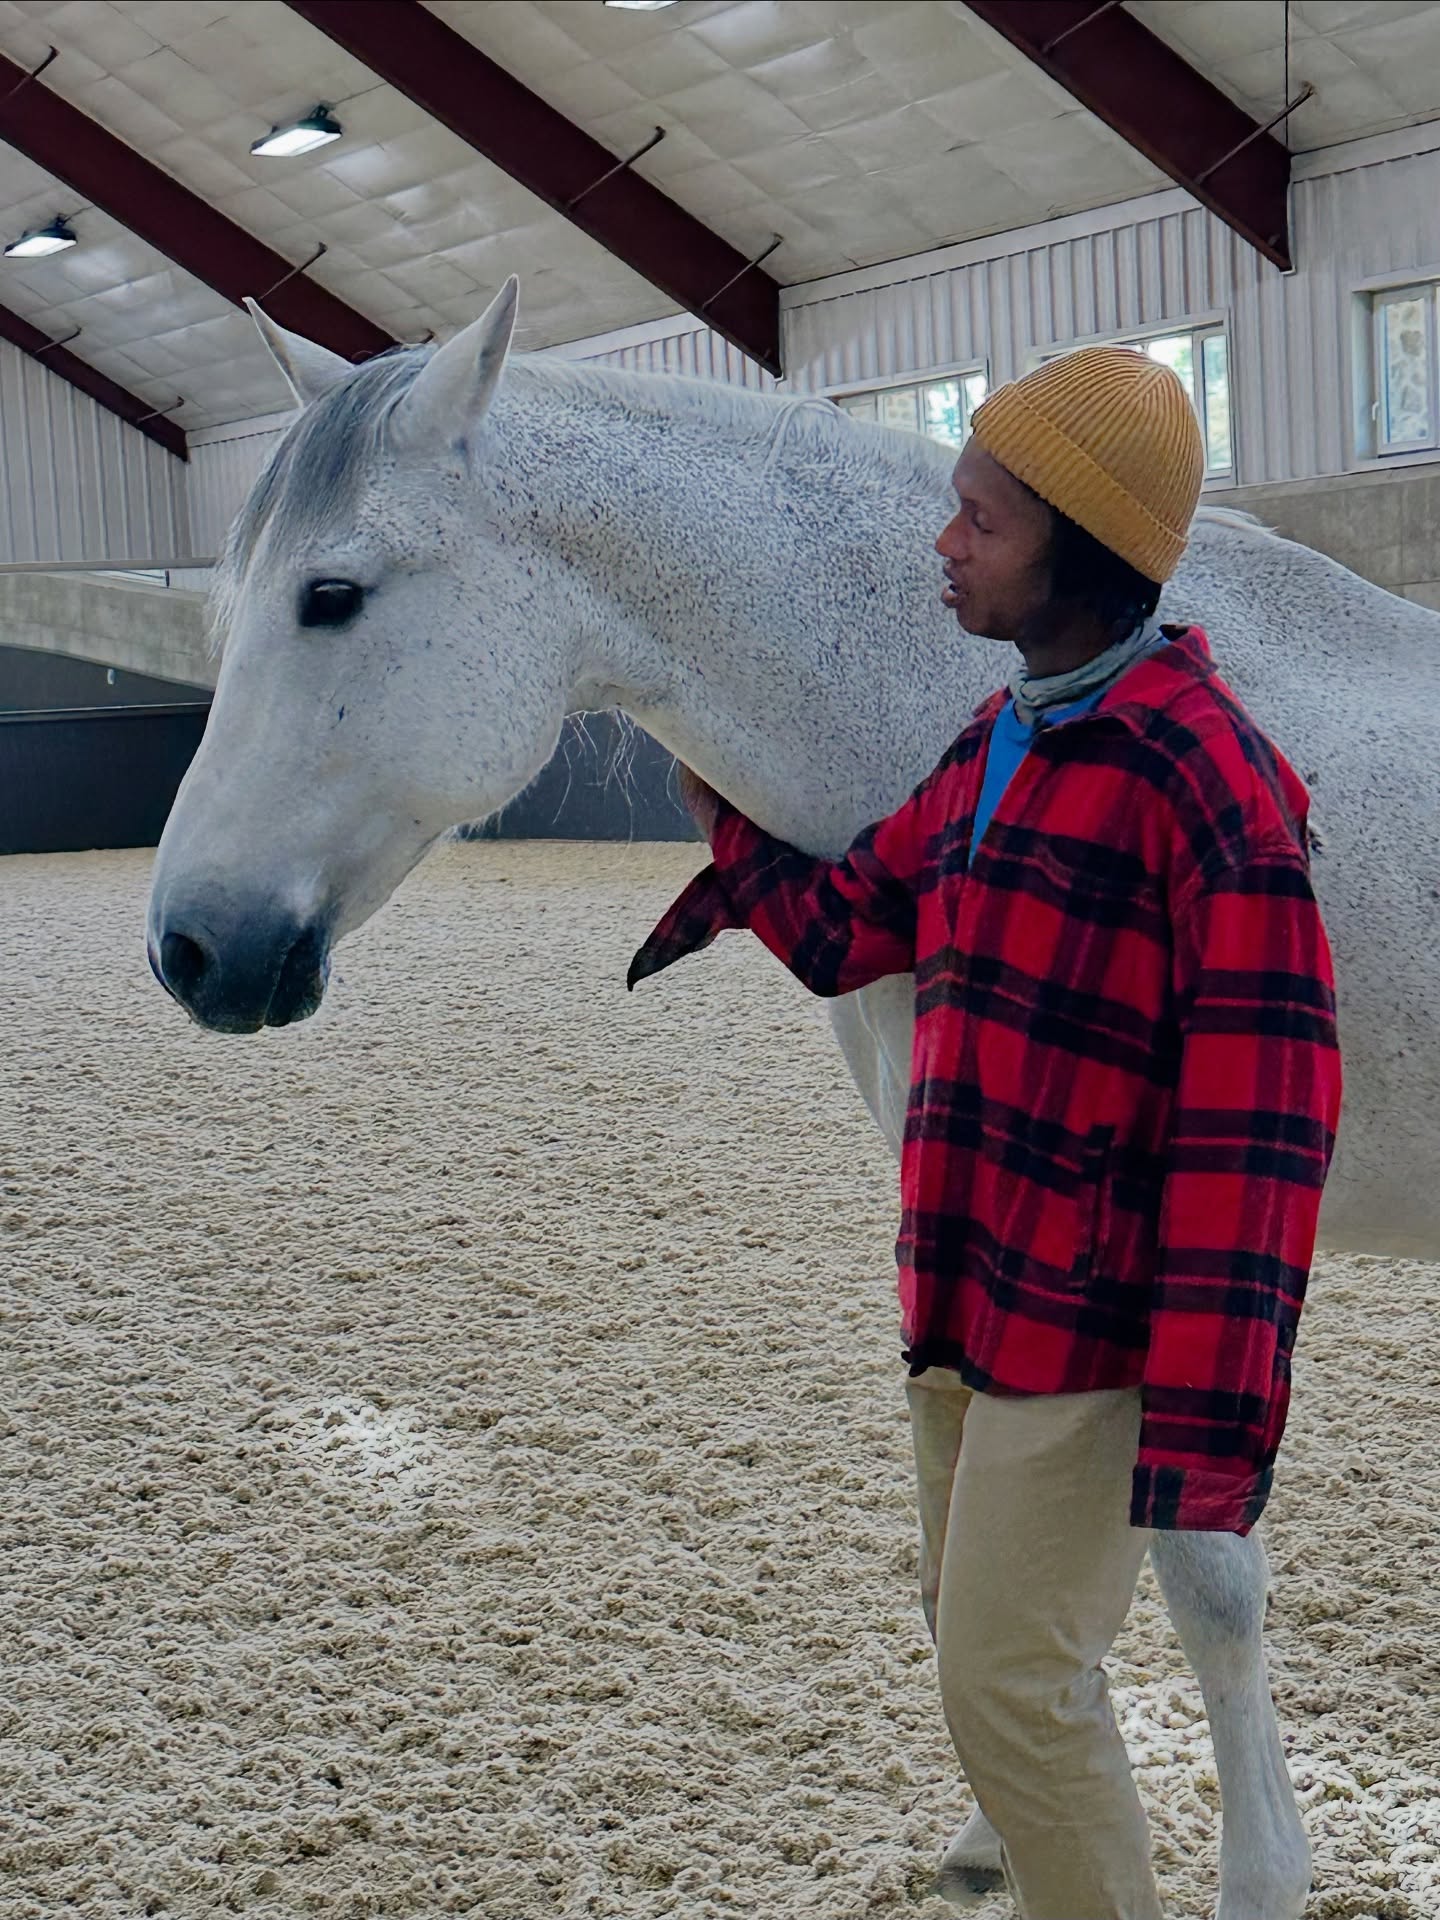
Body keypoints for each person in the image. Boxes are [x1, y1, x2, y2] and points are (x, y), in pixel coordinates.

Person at [627, 346, 1343, 1920]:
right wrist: (721, 812)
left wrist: (1209, 1430)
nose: (944, 545)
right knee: (976, 1641)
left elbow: (1266, 1134)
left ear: (1082, 550)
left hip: (1088, 1331)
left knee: (1010, 1685)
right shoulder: (1000, 739)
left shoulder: (1214, 788)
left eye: (983, 519)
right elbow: (849, 922)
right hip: (961, 1293)